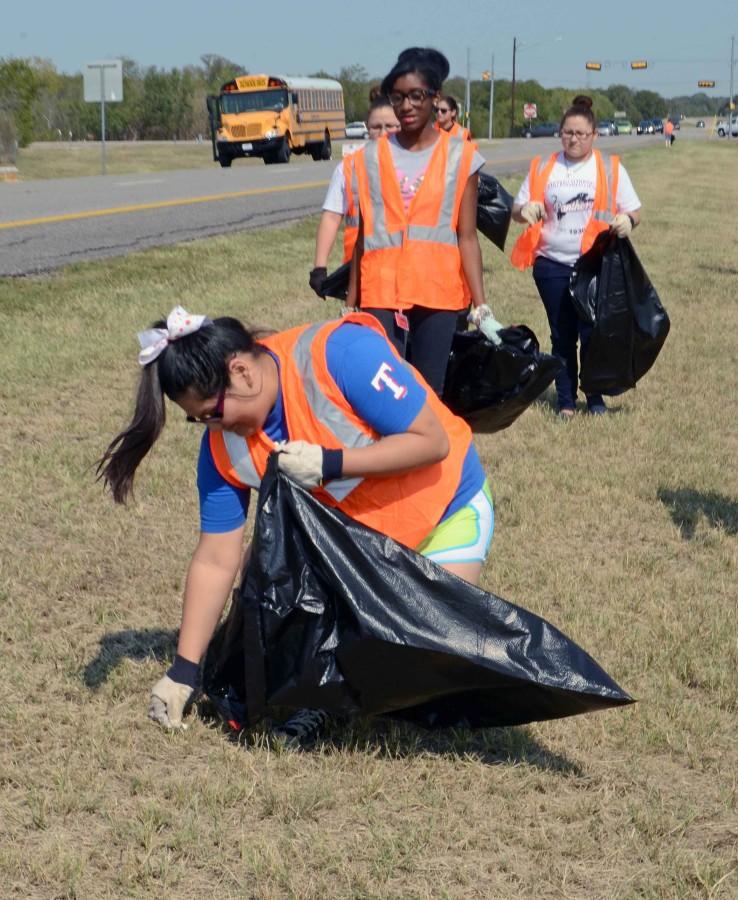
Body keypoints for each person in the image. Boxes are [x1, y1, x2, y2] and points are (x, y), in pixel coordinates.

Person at [98, 305, 495, 742]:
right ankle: (322, 699)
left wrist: (332, 463)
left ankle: (354, 667)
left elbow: (433, 441)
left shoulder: (341, 354)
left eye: (212, 412)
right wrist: (183, 672)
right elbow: (216, 558)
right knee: (269, 605)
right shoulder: (220, 449)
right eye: (197, 420)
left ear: (242, 372)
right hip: (352, 547)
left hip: (445, 511)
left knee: (426, 665)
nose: (211, 427)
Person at [345, 47, 503, 396]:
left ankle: (426, 452)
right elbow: (362, 236)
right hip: (382, 292)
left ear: (435, 98)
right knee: (381, 391)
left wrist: (481, 306)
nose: (406, 106)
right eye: (398, 97)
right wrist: (351, 299)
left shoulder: (462, 157)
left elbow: (467, 237)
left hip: (438, 292)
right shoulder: (366, 158)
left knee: (428, 393)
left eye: (416, 96)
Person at [511, 95, 642, 419]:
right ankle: (566, 401)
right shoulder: (544, 166)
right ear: (560, 133)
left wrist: (628, 221)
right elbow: (516, 209)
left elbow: (634, 210)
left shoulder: (609, 168)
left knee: (594, 334)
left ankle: (595, 397)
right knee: (562, 335)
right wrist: (523, 210)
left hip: (594, 263)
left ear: (594, 135)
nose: (573, 139)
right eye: (568, 132)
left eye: (581, 133)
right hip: (551, 263)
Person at [309, 95, 401, 298]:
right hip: (362, 271)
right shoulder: (349, 167)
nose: (383, 132)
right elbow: (331, 217)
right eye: (376, 127)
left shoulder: (415, 165)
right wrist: (319, 267)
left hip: (407, 269)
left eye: (390, 126)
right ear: (368, 128)